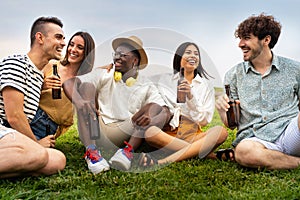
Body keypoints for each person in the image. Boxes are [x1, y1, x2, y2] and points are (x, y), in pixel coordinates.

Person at [63, 35, 169, 173]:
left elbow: (165, 110)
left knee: (153, 107)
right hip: (96, 129)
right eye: (116, 54)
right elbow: (69, 83)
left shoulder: (146, 84)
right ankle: (92, 153)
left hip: (125, 132)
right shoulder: (105, 73)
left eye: (123, 55)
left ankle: (127, 153)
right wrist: (79, 101)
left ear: (135, 61)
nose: (117, 58)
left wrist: (151, 117)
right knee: (86, 87)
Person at [215, 13, 300, 170]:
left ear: (266, 40)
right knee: (243, 152)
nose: (240, 44)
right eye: (240, 38)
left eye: (246, 38)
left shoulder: (295, 69)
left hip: (291, 134)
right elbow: (232, 124)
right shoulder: (233, 75)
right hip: (256, 141)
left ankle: (279, 159)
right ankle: (294, 162)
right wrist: (222, 111)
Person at [138, 42, 228, 166]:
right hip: (167, 135)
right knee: (150, 133)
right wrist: (113, 68)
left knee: (221, 132)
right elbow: (139, 80)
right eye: (188, 52)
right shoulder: (164, 80)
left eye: (196, 54)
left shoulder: (205, 86)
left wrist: (191, 97)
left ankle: (162, 161)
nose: (193, 56)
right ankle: (203, 153)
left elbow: (204, 121)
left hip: (192, 134)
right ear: (179, 57)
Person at [0, 16, 66, 178]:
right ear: (40, 38)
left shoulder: (38, 75)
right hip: (4, 127)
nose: (64, 43)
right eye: (58, 37)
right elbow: (14, 116)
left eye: (64, 38)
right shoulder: (16, 63)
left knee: (58, 160)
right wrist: (36, 144)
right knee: (40, 154)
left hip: (10, 133)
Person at [30, 31, 95, 143]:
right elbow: (27, 91)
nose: (73, 49)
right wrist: (43, 85)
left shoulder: (83, 82)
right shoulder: (52, 65)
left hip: (49, 127)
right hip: (33, 116)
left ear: (87, 53)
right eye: (71, 44)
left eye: (79, 47)